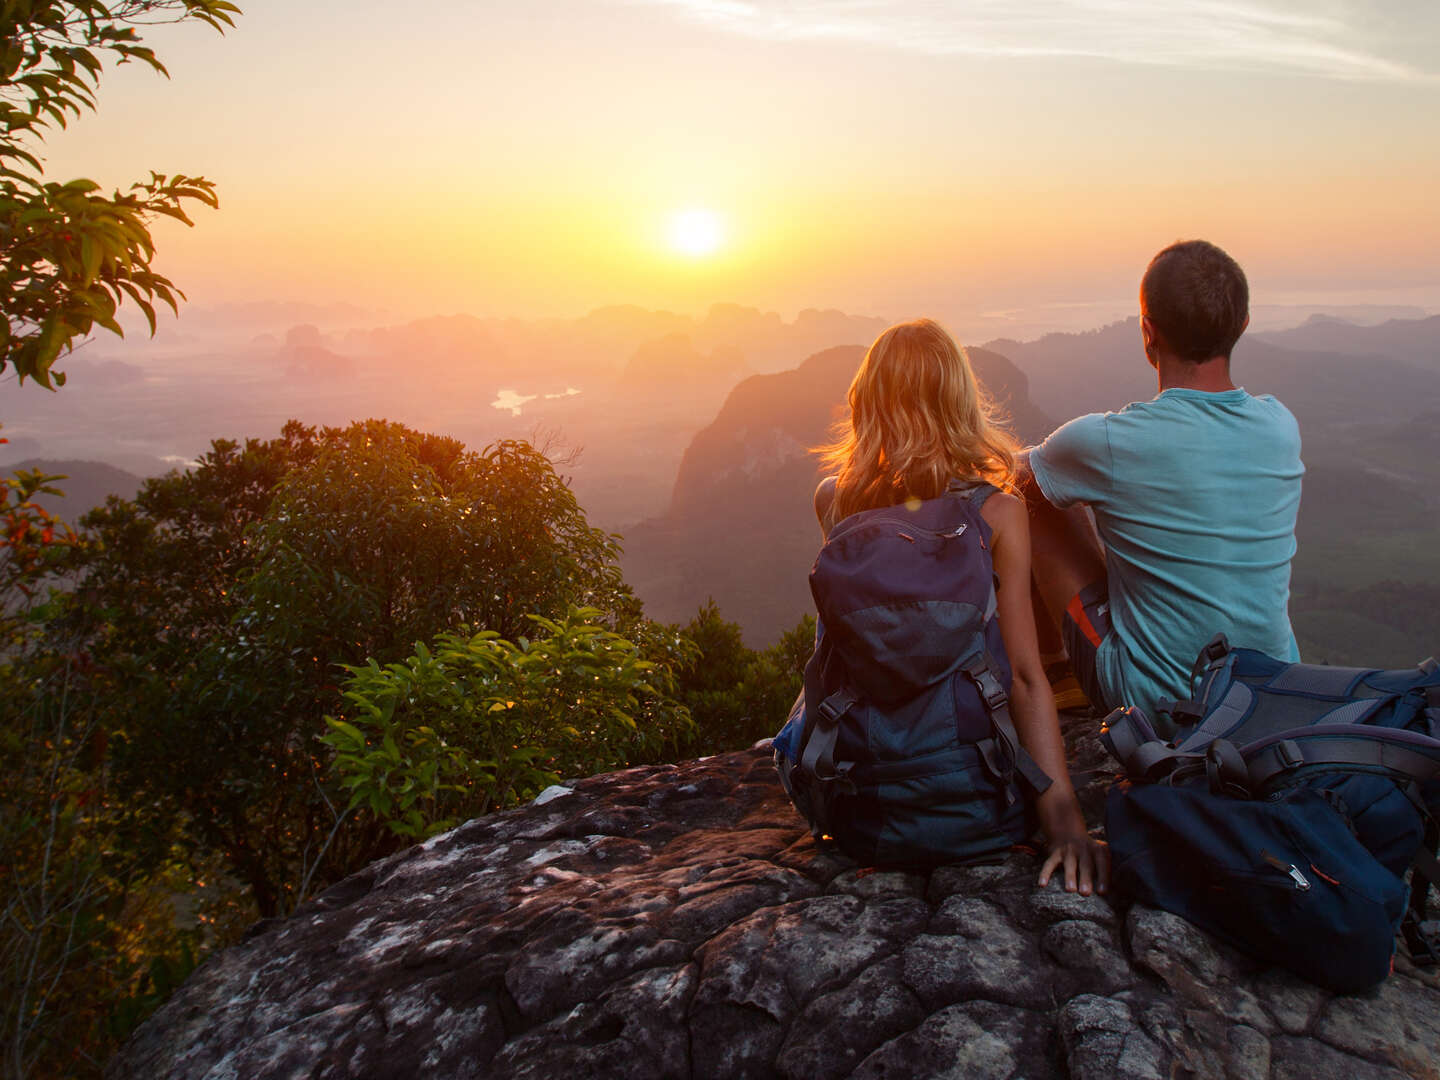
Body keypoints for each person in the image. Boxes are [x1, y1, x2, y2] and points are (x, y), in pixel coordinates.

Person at [814, 318, 1107, 895]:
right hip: (977, 802)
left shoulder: (835, 501)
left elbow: (839, 653)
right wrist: (1064, 820)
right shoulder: (998, 511)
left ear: (867, 402)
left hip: (861, 809)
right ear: (959, 402)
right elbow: (1024, 676)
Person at [1024, 239, 1304, 730]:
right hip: (1276, 694)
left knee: (1031, 495)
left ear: (1147, 332)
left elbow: (1012, 472)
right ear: (1241, 326)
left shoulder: (1107, 441)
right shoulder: (1281, 425)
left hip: (1162, 705)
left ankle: (1056, 675)